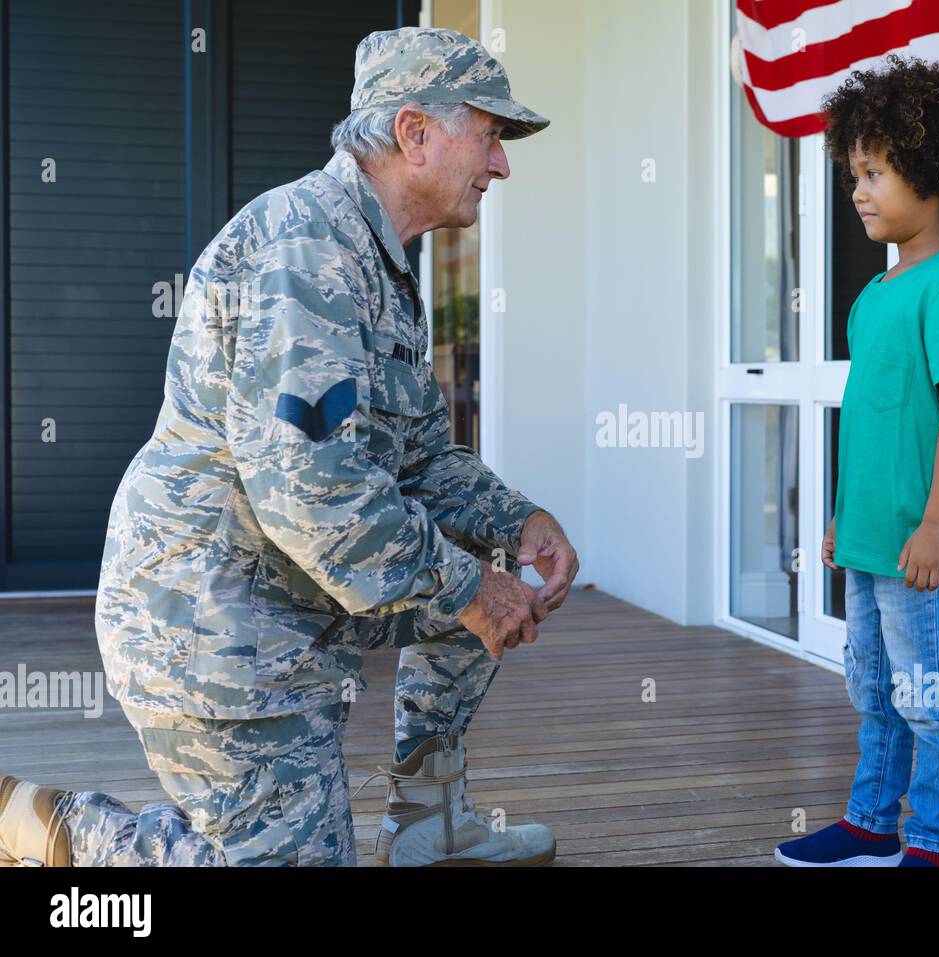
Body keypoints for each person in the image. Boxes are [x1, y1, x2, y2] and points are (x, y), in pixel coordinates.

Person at [0, 26, 578, 867]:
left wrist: (520, 521)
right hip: (213, 625)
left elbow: (417, 462)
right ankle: (64, 830)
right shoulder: (305, 252)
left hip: (299, 596)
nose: (500, 165)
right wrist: (467, 589)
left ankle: (427, 815)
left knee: (478, 549)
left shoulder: (381, 265)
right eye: (489, 135)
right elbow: (313, 488)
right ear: (414, 133)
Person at [775, 54, 939, 867]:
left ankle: (934, 842)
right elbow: (873, 424)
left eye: (876, 171)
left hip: (922, 546)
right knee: (873, 690)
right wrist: (846, 516)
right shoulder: (876, 294)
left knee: (928, 696)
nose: (859, 190)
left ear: (937, 174)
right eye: (855, 173)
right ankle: (872, 821)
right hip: (874, 537)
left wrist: (938, 522)